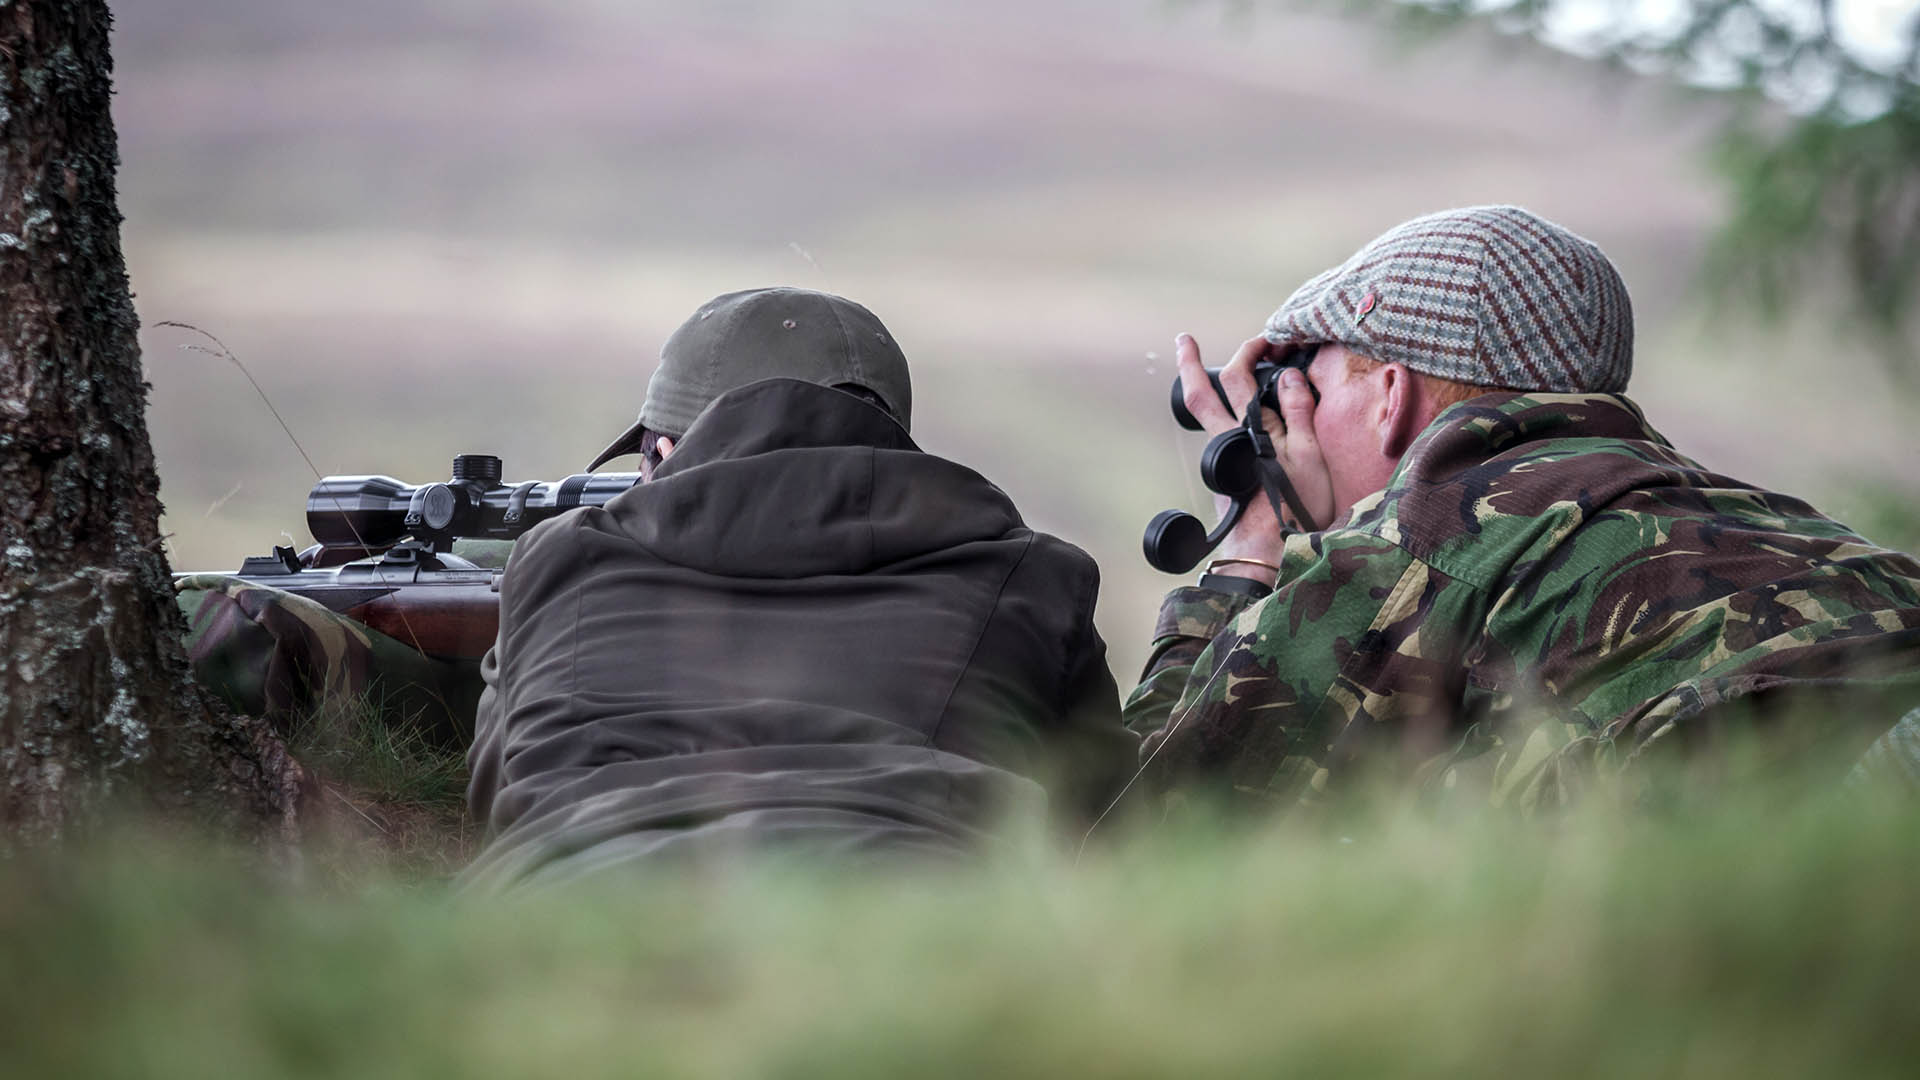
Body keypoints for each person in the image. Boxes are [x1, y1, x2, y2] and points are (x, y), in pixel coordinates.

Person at [1126, 205, 1920, 815]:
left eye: (1312, 386)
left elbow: (1147, 826)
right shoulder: (1775, 517)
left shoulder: (1431, 538)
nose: (1292, 421)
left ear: (1391, 399)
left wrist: (1257, 539)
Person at [460, 287, 1137, 890]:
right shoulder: (1038, 577)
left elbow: (492, 790)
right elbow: (1106, 827)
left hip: (571, 906)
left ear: (664, 451)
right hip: (920, 914)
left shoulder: (555, 558)